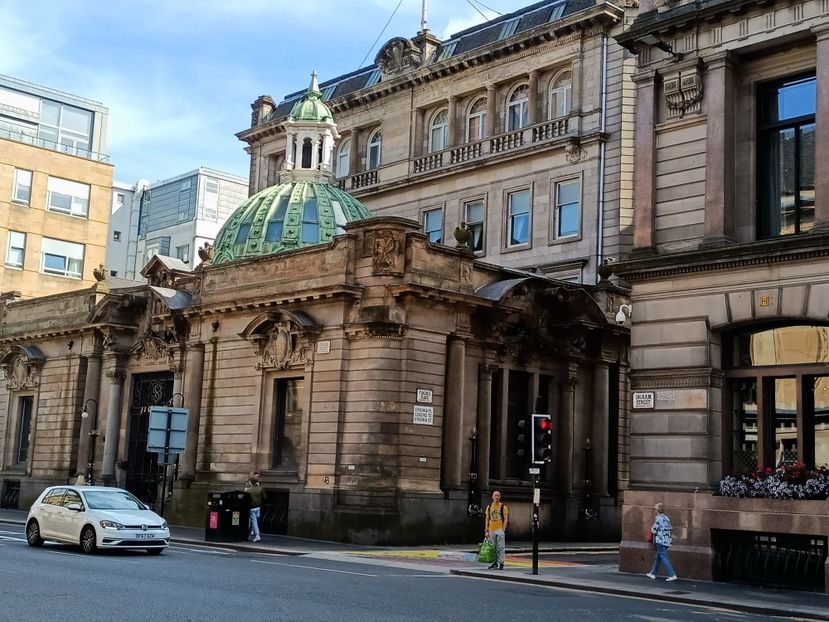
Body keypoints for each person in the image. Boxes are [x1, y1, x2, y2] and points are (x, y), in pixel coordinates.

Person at [647, 502, 677, 581]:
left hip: (660, 540)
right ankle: (653, 573)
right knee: (658, 557)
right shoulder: (667, 518)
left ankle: (672, 574)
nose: (654, 510)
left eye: (655, 509)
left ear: (657, 510)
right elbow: (670, 528)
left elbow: (654, 530)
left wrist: (651, 529)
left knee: (664, 557)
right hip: (667, 541)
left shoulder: (658, 518)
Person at [483, 490, 509, 570]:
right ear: (492, 497)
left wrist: (503, 529)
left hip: (499, 529)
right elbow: (487, 519)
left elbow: (506, 519)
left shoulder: (503, 507)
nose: (497, 497)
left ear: (500, 497)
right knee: (493, 547)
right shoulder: (489, 506)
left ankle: (501, 563)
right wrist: (486, 530)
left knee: (501, 547)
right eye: (495, 495)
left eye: (498, 495)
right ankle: (495, 563)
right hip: (491, 529)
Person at [245, 471, 266, 542]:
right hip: (258, 507)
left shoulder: (248, 490)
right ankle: (250, 533)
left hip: (252, 507)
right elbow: (265, 497)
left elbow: (245, 499)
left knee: (253, 522)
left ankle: (257, 535)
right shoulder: (260, 488)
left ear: (251, 483)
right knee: (254, 521)